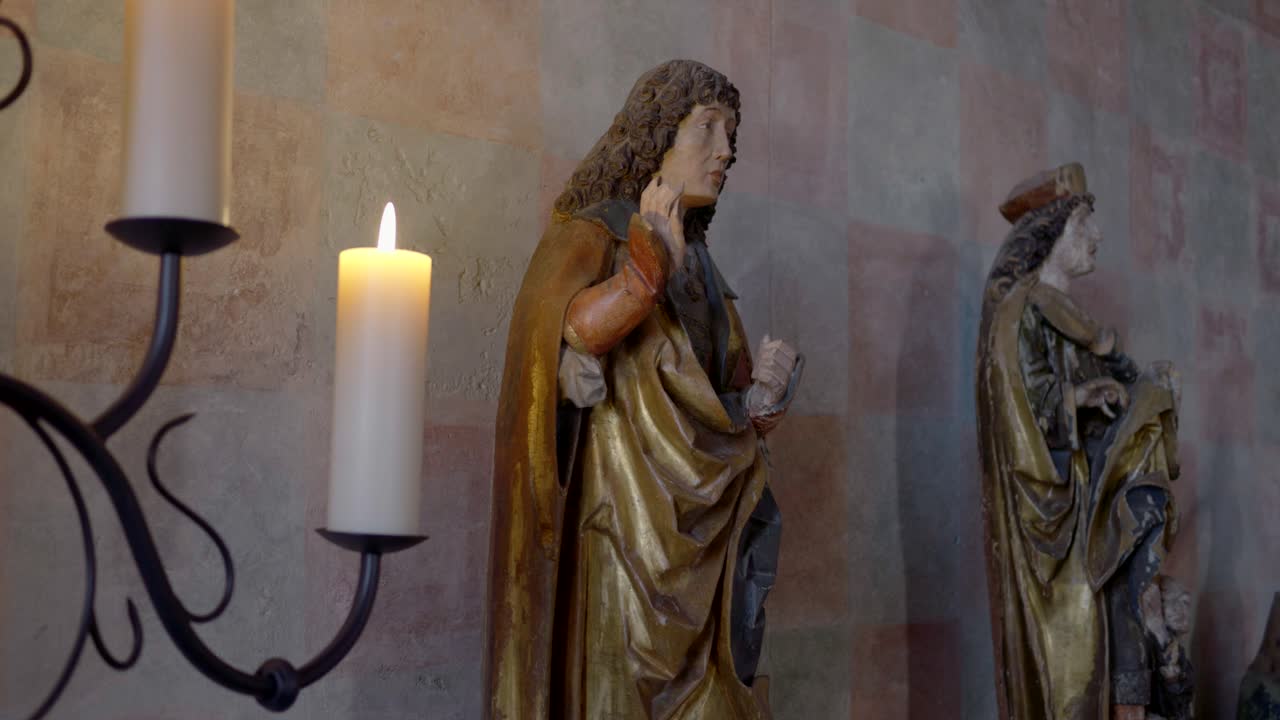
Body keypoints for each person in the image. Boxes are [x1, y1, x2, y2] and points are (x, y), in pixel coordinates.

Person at [484, 59, 802, 720]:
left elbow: (727, 398)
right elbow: (564, 333)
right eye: (708, 128)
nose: (726, 151)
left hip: (704, 544)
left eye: (731, 134)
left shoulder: (704, 268)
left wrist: (764, 399)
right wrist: (645, 271)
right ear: (657, 135)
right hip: (624, 531)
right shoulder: (591, 233)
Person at [976, 163, 1182, 719]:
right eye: (1085, 222)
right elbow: (1016, 411)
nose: (1097, 235)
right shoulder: (1019, 314)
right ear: (1053, 230)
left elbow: (1113, 394)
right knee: (1069, 669)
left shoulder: (1074, 319)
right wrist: (1077, 398)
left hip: (1094, 511)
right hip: (1054, 518)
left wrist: (1143, 392)